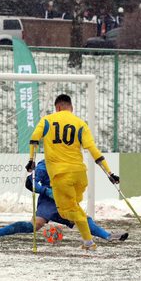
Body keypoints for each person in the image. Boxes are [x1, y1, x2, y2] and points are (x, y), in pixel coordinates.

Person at [26, 94, 119, 251]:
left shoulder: (46, 120)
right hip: (80, 175)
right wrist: (109, 173)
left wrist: (31, 160)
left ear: (57, 107)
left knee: (67, 212)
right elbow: (93, 150)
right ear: (71, 108)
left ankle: (90, 242)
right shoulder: (80, 123)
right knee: (75, 207)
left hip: (61, 176)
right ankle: (89, 242)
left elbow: (34, 139)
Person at [0, 159, 128, 242]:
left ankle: (108, 236)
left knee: (81, 219)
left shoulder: (70, 161)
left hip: (65, 199)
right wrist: (46, 191)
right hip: (49, 201)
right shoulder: (45, 165)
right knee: (34, 226)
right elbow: (31, 182)